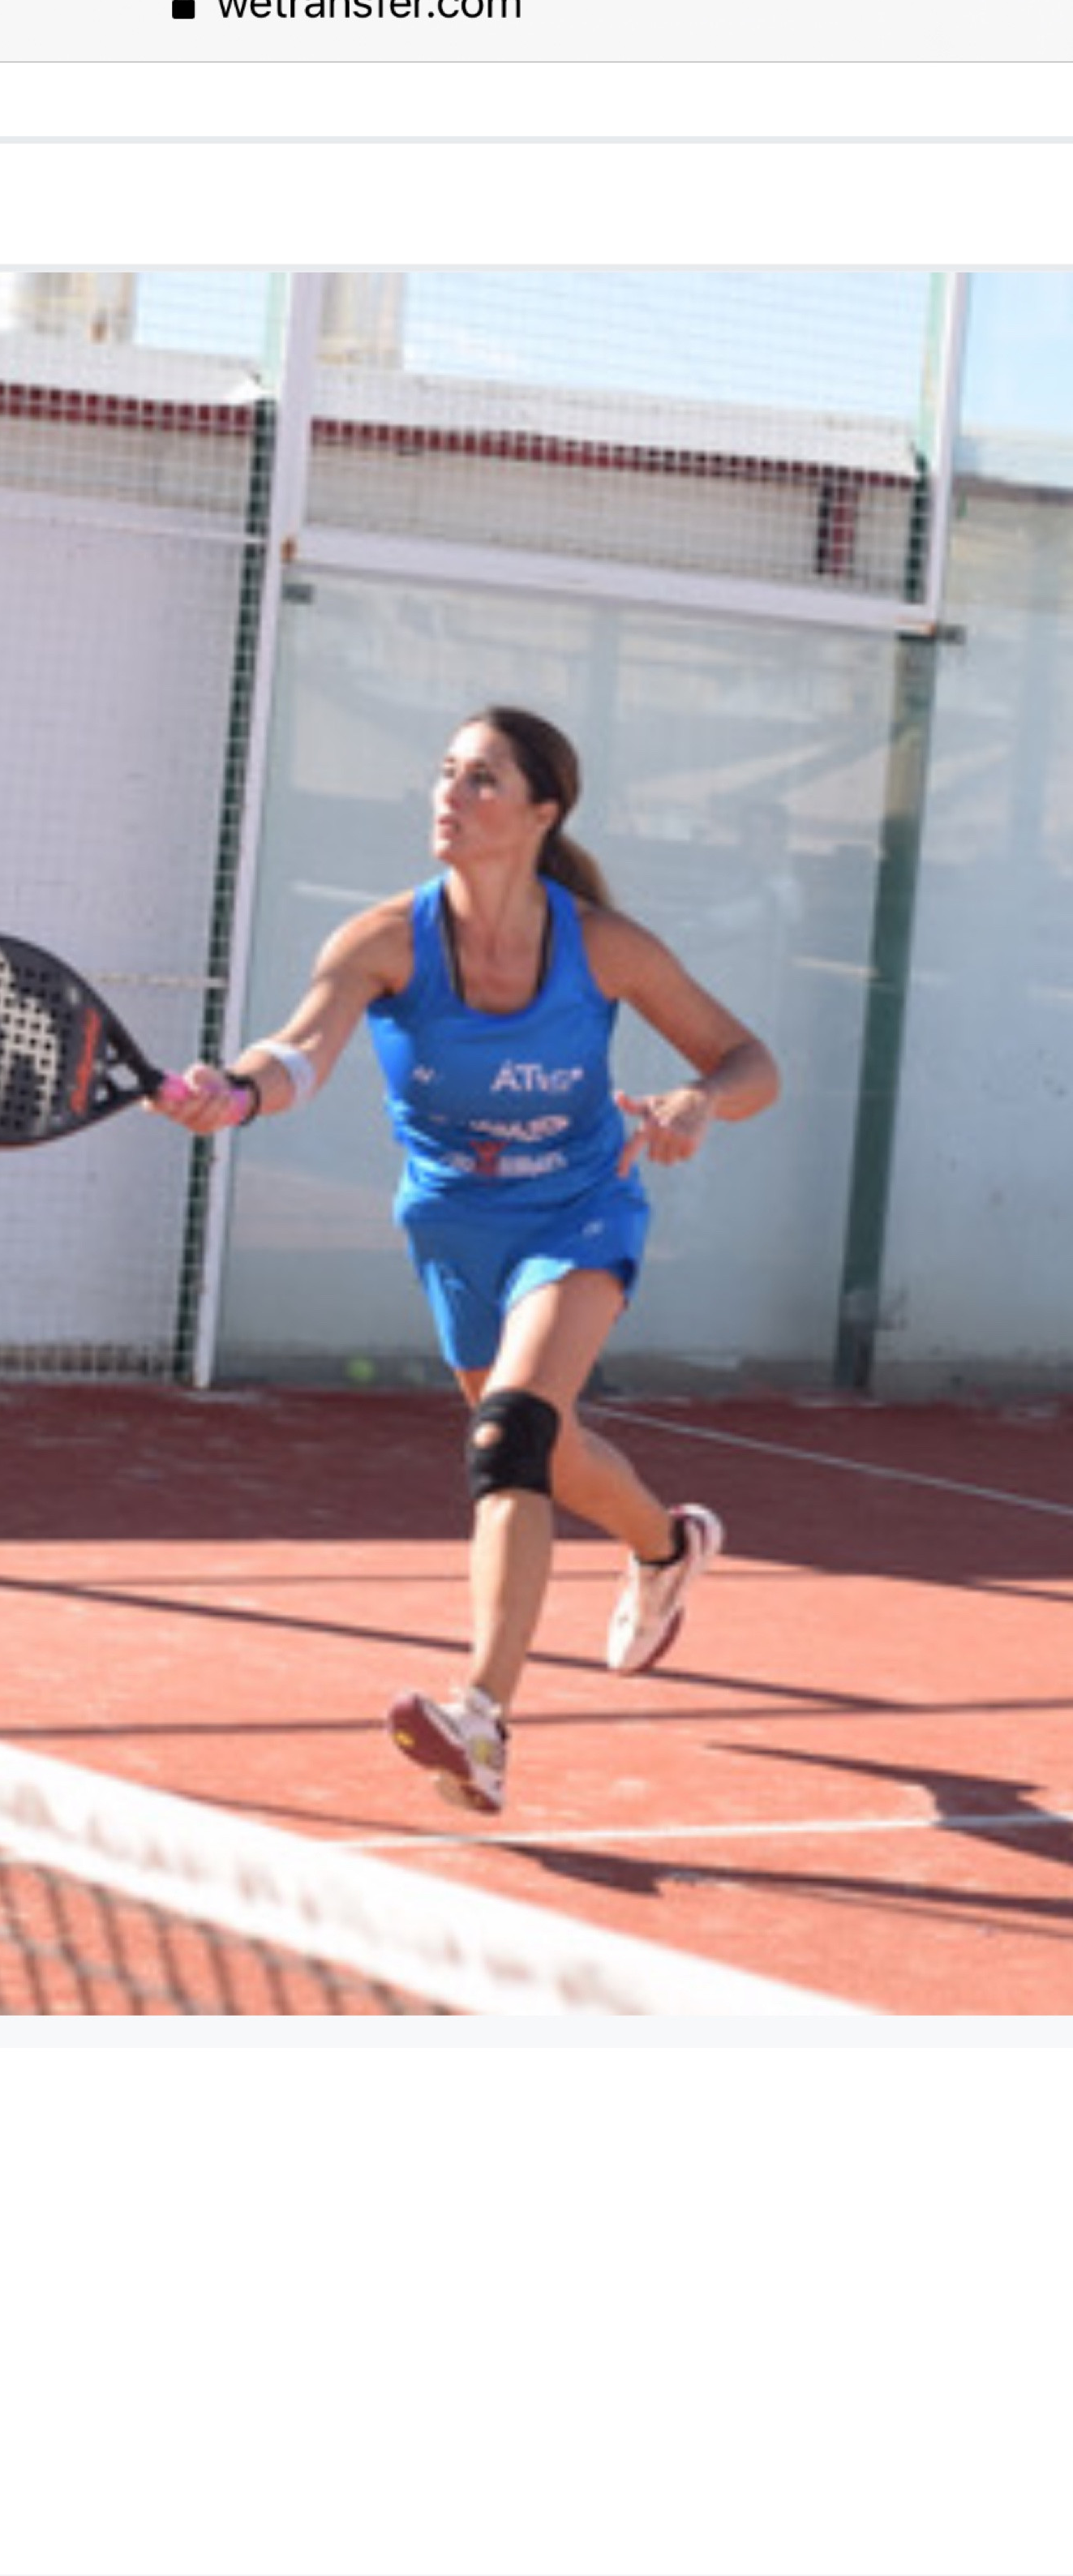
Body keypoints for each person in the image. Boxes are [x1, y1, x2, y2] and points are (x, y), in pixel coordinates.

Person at [156, 706, 779, 1816]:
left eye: (483, 779)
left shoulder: (604, 946)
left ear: (544, 811)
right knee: (552, 1453)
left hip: (579, 1213)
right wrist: (238, 1092)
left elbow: (749, 1061)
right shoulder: (384, 941)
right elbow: (301, 1050)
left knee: (511, 1437)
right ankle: (665, 1545)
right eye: (446, 773)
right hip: (453, 1228)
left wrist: (700, 1101)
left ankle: (481, 1720)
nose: (452, 794)